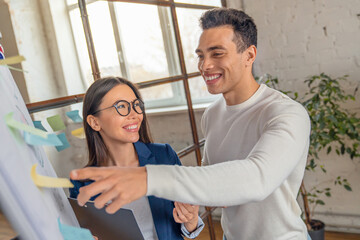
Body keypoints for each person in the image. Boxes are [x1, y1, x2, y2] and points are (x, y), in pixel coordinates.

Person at [71, 8, 311, 240]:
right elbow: (213, 180)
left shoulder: (286, 114)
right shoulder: (213, 114)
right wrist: (192, 212)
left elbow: (259, 178)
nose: (204, 65)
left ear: (249, 55)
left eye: (217, 53)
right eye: (201, 55)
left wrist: (148, 178)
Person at [69, 77, 204, 240]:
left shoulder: (164, 156)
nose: (134, 114)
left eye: (136, 105)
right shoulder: (81, 184)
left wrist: (191, 221)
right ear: (95, 122)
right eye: (121, 106)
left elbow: (187, 224)